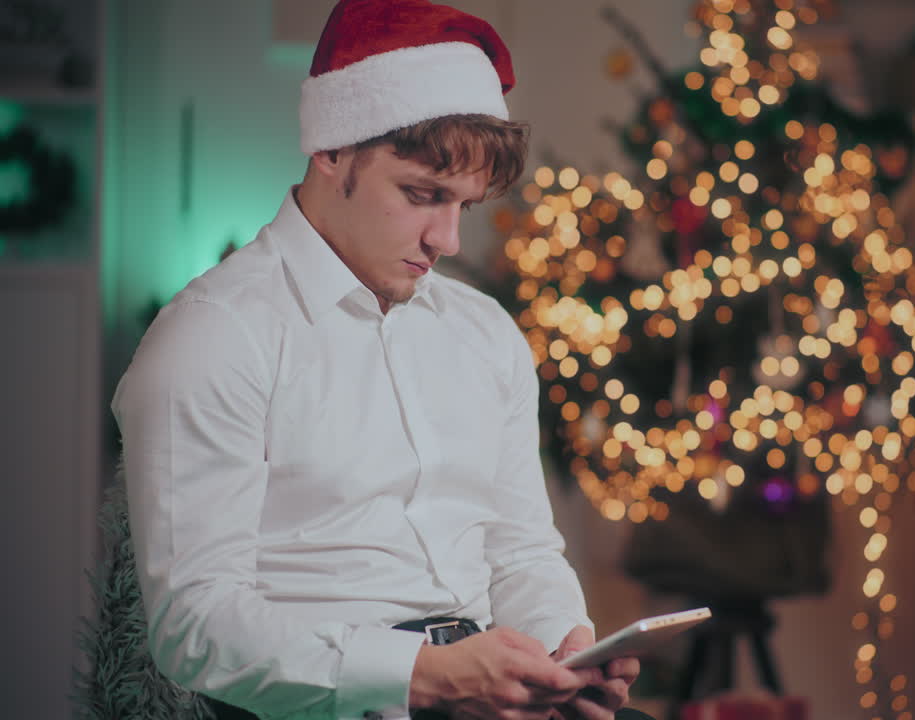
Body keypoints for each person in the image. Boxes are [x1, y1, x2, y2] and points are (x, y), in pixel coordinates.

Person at [111, 2, 645, 718]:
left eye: (465, 205)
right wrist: (430, 675)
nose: (448, 240)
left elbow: (520, 551)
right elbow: (197, 629)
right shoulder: (214, 337)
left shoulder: (483, 333)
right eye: (422, 195)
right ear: (332, 150)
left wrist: (565, 650)